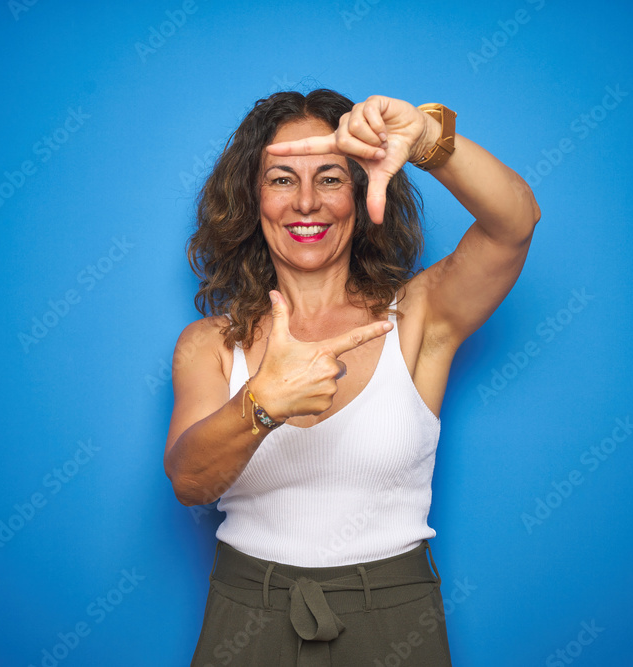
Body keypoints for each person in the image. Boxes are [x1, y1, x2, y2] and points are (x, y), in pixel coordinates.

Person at [165, 88, 540, 666]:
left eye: (331, 179)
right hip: (248, 613)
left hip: (392, 616)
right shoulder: (210, 343)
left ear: (361, 193)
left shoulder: (418, 316)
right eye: (282, 179)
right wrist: (260, 403)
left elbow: (514, 223)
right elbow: (190, 482)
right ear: (252, 199)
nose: (306, 202)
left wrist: (426, 139)